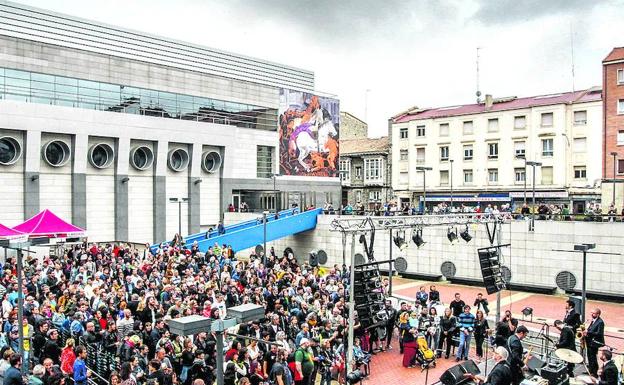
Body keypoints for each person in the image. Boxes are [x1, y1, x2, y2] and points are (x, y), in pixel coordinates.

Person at [585, 308, 605, 377]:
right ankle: (591, 371)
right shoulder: (593, 320)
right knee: (589, 357)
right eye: (591, 313)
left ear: (598, 314)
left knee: (593, 358)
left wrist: (588, 332)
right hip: (589, 342)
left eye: (593, 313)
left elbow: (599, 333)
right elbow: (590, 329)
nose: (591, 314)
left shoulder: (600, 322)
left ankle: (594, 373)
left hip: (594, 343)